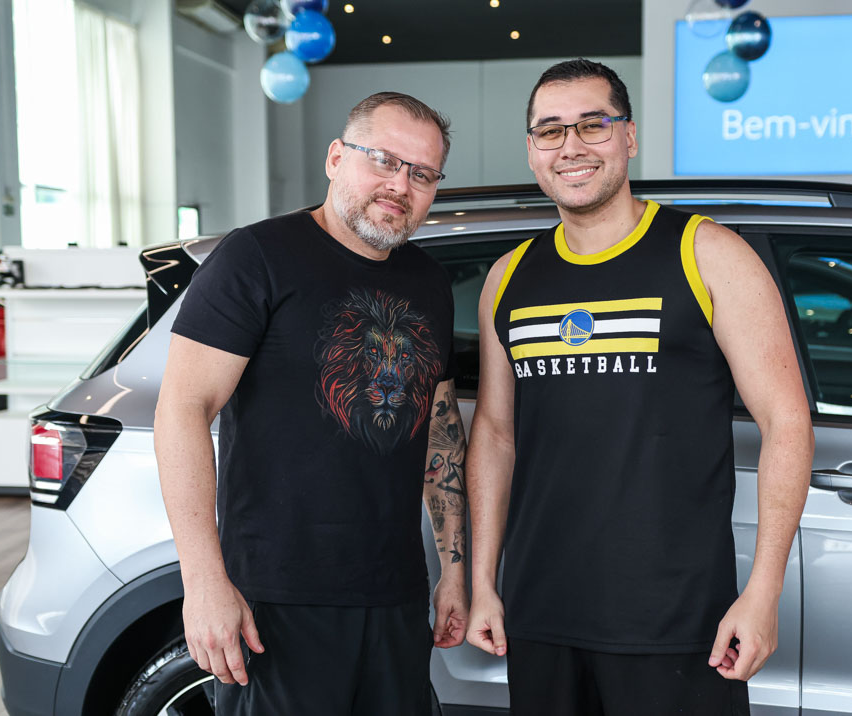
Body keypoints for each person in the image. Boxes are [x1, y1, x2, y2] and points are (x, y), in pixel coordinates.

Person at [465, 59, 814, 715]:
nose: (571, 146)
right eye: (550, 130)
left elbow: (786, 422)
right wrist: (484, 582)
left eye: (592, 125)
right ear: (533, 150)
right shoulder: (508, 278)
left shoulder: (706, 253)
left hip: (677, 621)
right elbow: (495, 434)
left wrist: (763, 593)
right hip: (540, 615)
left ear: (628, 135)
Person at [154, 91, 468, 715]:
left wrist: (453, 572)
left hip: (396, 595)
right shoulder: (256, 257)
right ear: (335, 157)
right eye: (383, 160)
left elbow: (440, 429)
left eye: (422, 173)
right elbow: (182, 410)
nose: (400, 185)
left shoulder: (430, 281)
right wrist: (204, 581)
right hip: (275, 600)